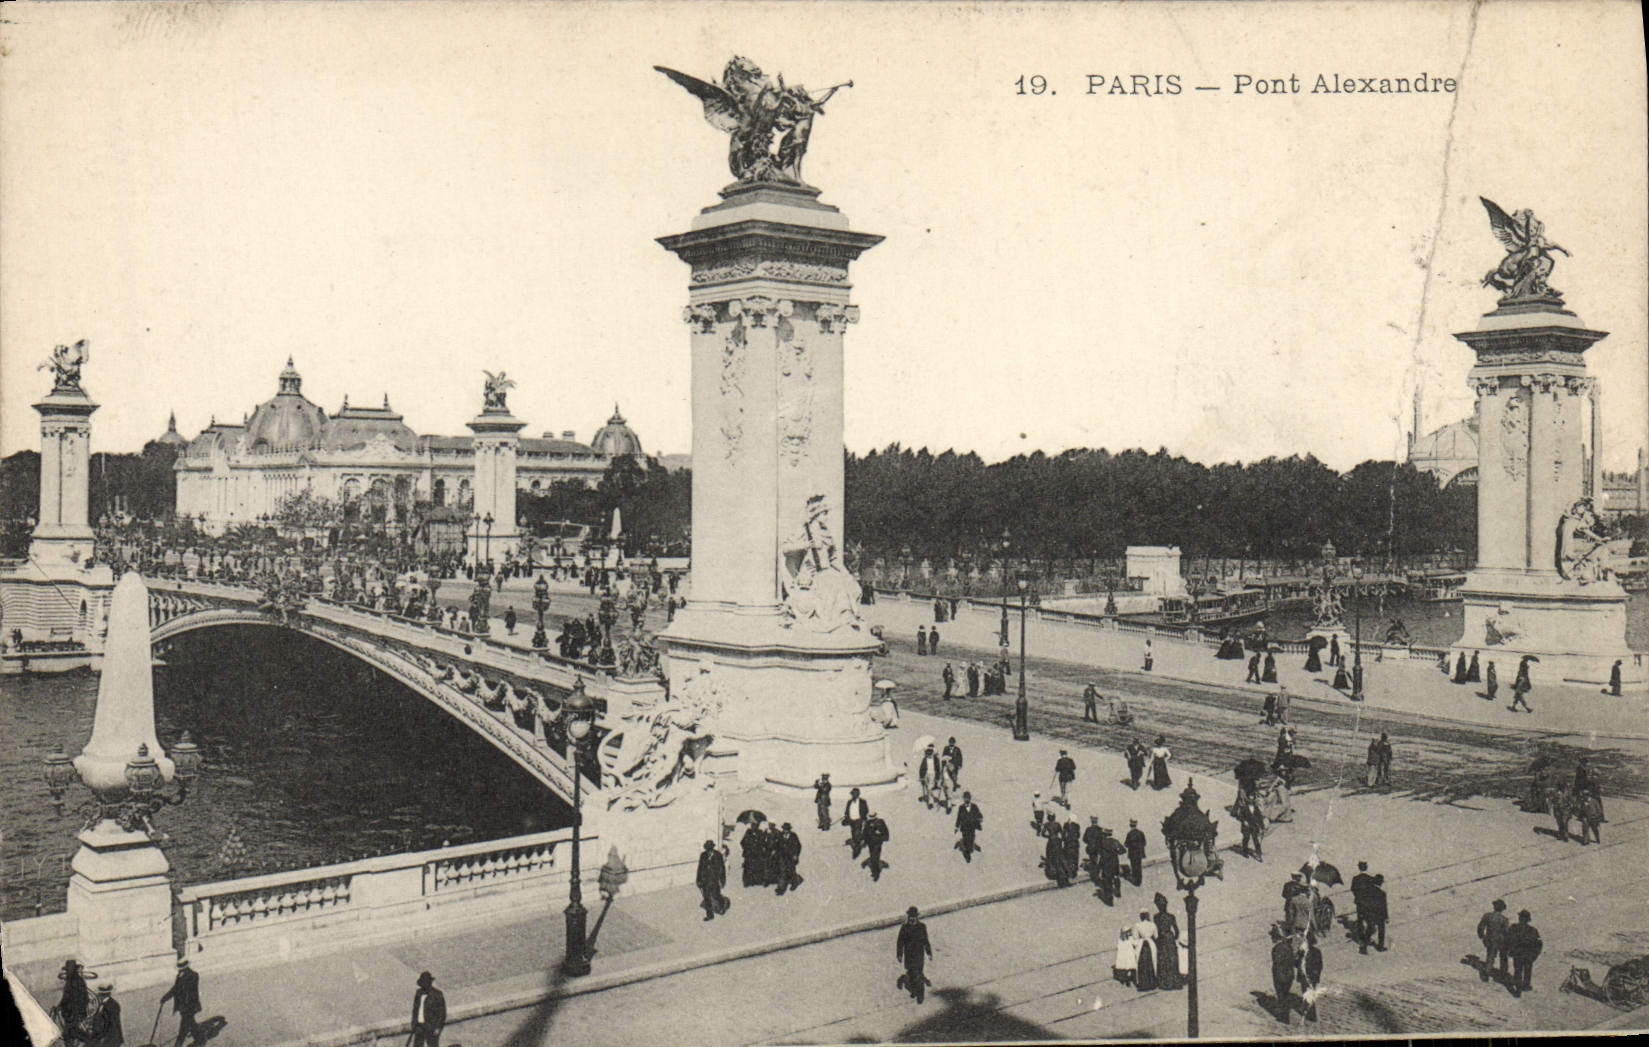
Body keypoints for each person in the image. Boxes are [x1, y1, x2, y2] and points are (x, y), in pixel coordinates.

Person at [159, 958, 203, 1047]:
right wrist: (165, 998)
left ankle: (178, 1045)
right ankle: (200, 1039)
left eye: (180, 968)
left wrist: (184, 1006)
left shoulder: (193, 976)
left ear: (185, 967)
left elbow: (188, 992)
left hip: (189, 1006)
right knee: (191, 1024)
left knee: (183, 1028)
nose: (179, 970)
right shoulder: (180, 975)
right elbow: (175, 988)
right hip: (183, 1006)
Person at [895, 907, 933, 1003]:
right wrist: (899, 954)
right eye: (910, 917)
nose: (912, 919)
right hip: (909, 956)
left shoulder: (922, 927)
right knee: (913, 976)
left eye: (914, 917)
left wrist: (929, 953)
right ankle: (908, 984)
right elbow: (900, 942)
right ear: (908, 917)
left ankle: (920, 995)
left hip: (919, 955)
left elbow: (925, 941)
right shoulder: (904, 928)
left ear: (917, 917)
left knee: (918, 974)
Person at [54, 959, 93, 1046]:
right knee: (69, 1034)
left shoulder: (76, 981)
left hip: (74, 1014)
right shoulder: (71, 981)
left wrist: (76, 1011)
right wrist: (59, 1006)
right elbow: (66, 998)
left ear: (73, 970)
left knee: (70, 1033)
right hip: (70, 1015)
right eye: (67, 970)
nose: (68, 972)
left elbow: (83, 998)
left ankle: (91, 1042)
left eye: (69, 970)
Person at [1505, 909, 1543, 997]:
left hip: (1517, 954)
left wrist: (1509, 950)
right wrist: (1535, 955)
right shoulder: (1533, 930)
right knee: (1528, 971)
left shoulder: (1514, 927)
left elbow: (1508, 939)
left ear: (1520, 918)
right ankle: (1526, 986)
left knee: (1518, 971)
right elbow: (1539, 944)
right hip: (1528, 955)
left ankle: (1518, 989)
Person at [1152, 892, 1183, 990]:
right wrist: (1172, 938)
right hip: (1169, 939)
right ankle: (1174, 982)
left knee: (1163, 961)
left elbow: (1155, 930)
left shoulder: (1156, 917)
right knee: (1171, 961)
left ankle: (1165, 983)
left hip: (1162, 939)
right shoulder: (1171, 916)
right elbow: (1177, 931)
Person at [1477, 899, 1510, 984]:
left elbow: (1481, 927)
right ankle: (1503, 975)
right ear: (1502, 909)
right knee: (1503, 958)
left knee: (1490, 957)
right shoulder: (1504, 919)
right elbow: (1507, 932)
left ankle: (1486, 973)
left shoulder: (1487, 916)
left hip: (1489, 939)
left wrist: (1482, 936)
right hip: (1501, 941)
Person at [410, 972, 446, 1047]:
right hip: (419, 1026)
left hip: (431, 1026)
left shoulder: (437, 994)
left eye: (425, 983)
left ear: (430, 983)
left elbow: (442, 1013)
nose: (423, 986)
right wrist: (414, 1023)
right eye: (422, 984)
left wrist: (438, 1027)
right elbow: (415, 1009)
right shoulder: (419, 993)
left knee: (432, 1045)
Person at [80, 983, 122, 1047]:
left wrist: (103, 1040)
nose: (98, 995)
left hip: (110, 1040)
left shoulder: (113, 1005)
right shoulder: (101, 1004)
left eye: (99, 994)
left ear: (102, 994)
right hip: (100, 1037)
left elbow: (113, 1026)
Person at [1270, 930, 1299, 1022]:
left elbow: (1277, 962)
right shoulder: (1289, 947)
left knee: (1281, 996)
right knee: (1285, 995)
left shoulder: (1277, 948)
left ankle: (1283, 1017)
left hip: (1280, 975)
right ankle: (1285, 1015)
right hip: (1289, 975)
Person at [697, 839, 729, 920]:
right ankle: (710, 915)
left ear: (712, 848)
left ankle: (722, 907)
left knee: (716, 895)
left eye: (710, 849)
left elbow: (722, 868)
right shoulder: (703, 855)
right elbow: (700, 868)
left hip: (715, 880)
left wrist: (722, 880)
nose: (708, 851)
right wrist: (698, 880)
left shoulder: (718, 855)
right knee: (707, 898)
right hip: (705, 880)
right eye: (707, 849)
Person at [1350, 862, 1375, 952]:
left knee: (1360, 921)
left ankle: (1361, 939)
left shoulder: (1355, 878)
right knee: (1369, 921)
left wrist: (1358, 896)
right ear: (1366, 868)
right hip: (1368, 903)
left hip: (1360, 903)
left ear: (1359, 868)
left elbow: (1352, 889)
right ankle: (1367, 938)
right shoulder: (1370, 878)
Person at [1298, 933, 1323, 1022]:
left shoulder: (1315, 952)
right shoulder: (1303, 952)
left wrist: (1314, 976)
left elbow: (1319, 966)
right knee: (1306, 993)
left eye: (1304, 941)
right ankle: (1307, 1011)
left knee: (1309, 995)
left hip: (1310, 977)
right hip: (1304, 977)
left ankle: (1310, 1014)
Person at [1132, 910, 1159, 991]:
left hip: (1141, 944)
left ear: (1141, 916)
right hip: (1150, 944)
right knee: (1152, 962)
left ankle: (1142, 983)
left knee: (1141, 963)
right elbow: (1156, 936)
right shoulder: (1152, 924)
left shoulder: (1137, 925)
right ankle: (1152, 982)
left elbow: (1135, 937)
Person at [775, 822, 804, 895]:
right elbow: (777, 845)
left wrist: (796, 855)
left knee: (791, 871)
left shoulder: (793, 836)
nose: (785, 830)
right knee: (782, 871)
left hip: (791, 857)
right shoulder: (780, 835)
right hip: (782, 856)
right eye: (784, 829)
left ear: (789, 829)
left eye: (787, 829)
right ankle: (781, 888)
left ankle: (795, 882)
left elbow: (798, 846)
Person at [955, 791, 983, 862]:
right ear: (963, 799)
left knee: (971, 838)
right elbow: (958, 818)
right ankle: (967, 854)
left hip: (972, 826)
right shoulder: (961, 807)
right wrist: (956, 827)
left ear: (970, 798)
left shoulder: (974, 806)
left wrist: (980, 818)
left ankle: (962, 843)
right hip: (964, 827)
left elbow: (979, 814)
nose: (966, 800)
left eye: (968, 798)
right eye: (965, 798)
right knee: (966, 840)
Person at [1098, 828, 1123, 905]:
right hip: (1114, 863)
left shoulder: (1101, 842)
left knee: (1107, 880)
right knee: (1116, 877)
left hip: (1106, 864)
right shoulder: (1115, 841)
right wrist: (1116, 851)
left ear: (1104, 834)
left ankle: (1109, 899)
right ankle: (1118, 892)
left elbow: (1100, 854)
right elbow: (1123, 850)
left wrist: (1099, 866)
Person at [1114, 919, 1142, 986]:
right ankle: (1130, 980)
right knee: (1130, 967)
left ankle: (1125, 979)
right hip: (1129, 955)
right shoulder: (1130, 938)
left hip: (1123, 956)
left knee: (1125, 968)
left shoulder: (1120, 940)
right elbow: (1136, 943)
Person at [843, 787, 869, 858]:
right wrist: (846, 817)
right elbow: (847, 810)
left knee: (857, 833)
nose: (853, 796)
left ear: (858, 795)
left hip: (859, 820)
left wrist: (863, 818)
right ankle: (858, 842)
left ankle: (856, 849)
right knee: (853, 832)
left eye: (855, 794)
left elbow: (866, 810)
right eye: (852, 794)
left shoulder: (863, 802)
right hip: (851, 820)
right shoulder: (849, 802)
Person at [863, 811, 890, 881]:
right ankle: (874, 871)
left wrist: (881, 838)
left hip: (877, 843)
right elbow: (865, 833)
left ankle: (876, 873)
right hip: (870, 843)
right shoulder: (867, 823)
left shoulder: (880, 822)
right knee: (873, 856)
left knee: (875, 857)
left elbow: (885, 833)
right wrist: (865, 841)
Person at [741, 820, 768, 887]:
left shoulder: (760, 832)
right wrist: (747, 847)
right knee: (748, 867)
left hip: (757, 853)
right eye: (752, 825)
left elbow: (763, 843)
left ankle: (757, 880)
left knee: (758, 866)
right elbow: (742, 842)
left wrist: (764, 836)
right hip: (749, 853)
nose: (754, 827)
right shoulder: (748, 832)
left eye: (756, 825)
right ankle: (747, 881)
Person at [1365, 874, 1388, 953]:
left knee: (1369, 928)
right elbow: (1384, 907)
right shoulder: (1382, 893)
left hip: (1370, 913)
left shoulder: (1368, 891)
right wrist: (1386, 917)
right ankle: (1380, 946)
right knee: (1381, 930)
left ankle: (1365, 943)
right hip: (1379, 915)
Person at [1238, 795, 1265, 861]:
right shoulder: (1244, 808)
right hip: (1246, 827)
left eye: (1252, 800)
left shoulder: (1256, 808)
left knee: (1256, 840)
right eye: (1249, 800)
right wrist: (1244, 821)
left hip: (1254, 826)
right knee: (1246, 838)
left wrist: (1262, 826)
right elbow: (1240, 816)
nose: (1251, 801)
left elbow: (1259, 817)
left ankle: (1258, 854)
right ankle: (1245, 851)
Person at [1124, 819, 1147, 886]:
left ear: (1130, 825)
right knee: (1139, 866)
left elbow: (1126, 844)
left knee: (1134, 867)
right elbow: (1144, 843)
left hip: (1132, 854)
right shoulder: (1141, 833)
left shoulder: (1129, 833)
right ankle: (1139, 880)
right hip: (1139, 853)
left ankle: (1135, 881)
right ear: (1136, 825)